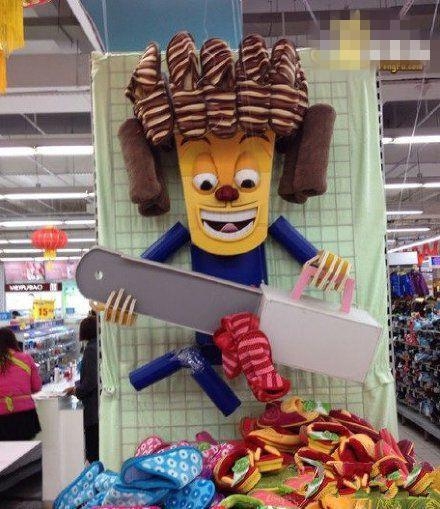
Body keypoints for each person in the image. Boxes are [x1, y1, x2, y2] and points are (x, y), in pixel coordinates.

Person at [65, 315, 99, 462]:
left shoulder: (90, 349)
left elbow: (90, 382)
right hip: (98, 408)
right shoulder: (98, 346)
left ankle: (94, 474)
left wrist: (76, 390)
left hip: (93, 410)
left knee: (93, 451)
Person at [0, 327, 42, 440]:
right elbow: (37, 386)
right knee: (26, 449)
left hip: (2, 415)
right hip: (25, 414)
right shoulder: (26, 358)